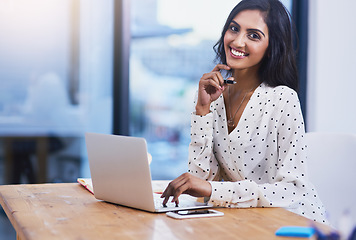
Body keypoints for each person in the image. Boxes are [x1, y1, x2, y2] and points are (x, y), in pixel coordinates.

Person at [161, 0, 329, 225]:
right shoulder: (213, 95)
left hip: (293, 222)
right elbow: (201, 182)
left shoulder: (283, 99)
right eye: (234, 28)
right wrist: (202, 111)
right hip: (245, 220)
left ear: (272, 48)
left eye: (254, 35)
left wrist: (215, 190)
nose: (237, 41)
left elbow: (292, 190)